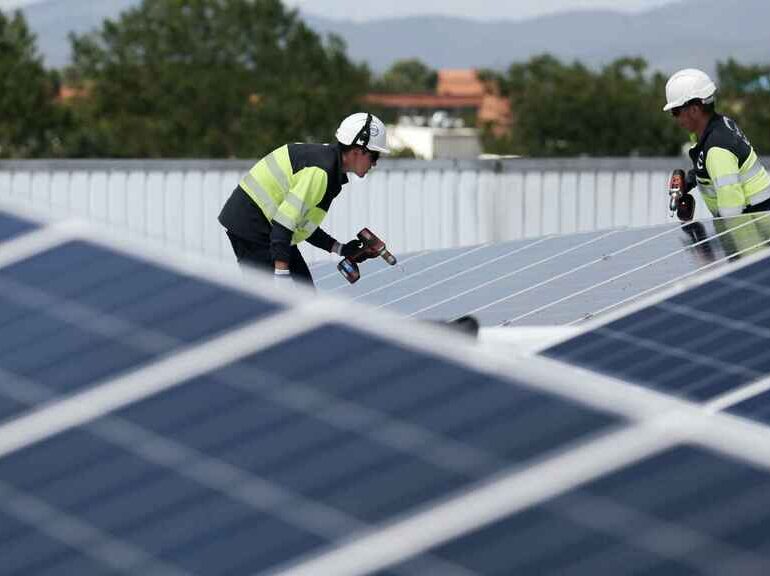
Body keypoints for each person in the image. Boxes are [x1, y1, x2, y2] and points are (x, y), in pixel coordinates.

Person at [218, 112, 390, 287]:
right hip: (252, 226)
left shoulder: (329, 168)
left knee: (304, 295)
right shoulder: (320, 172)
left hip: (266, 226)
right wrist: (281, 275)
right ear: (357, 151)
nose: (375, 163)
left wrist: (341, 248)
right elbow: (284, 223)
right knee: (279, 302)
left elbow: (300, 223)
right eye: (374, 156)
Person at [664, 68, 770, 220]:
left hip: (754, 226)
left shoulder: (717, 149)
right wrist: (689, 181)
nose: (675, 118)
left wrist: (720, 241)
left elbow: (732, 211)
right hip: (759, 217)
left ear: (694, 110)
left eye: (675, 111)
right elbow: (709, 164)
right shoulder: (718, 125)